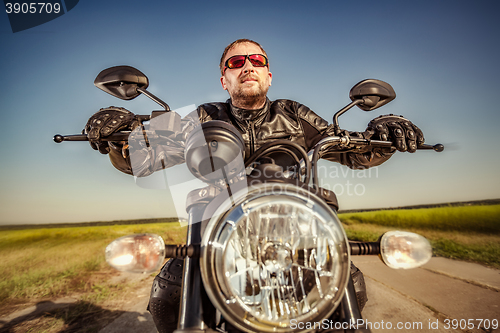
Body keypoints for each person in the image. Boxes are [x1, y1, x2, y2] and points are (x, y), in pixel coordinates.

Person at [84, 39, 424, 333]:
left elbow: (350, 151)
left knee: (345, 274)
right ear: (224, 79)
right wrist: (123, 134)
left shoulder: (292, 113)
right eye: (236, 62)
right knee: (172, 282)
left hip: (293, 222)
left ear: (268, 75)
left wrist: (382, 132)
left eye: (256, 61)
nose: (247, 66)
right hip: (219, 220)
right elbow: (143, 156)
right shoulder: (204, 116)